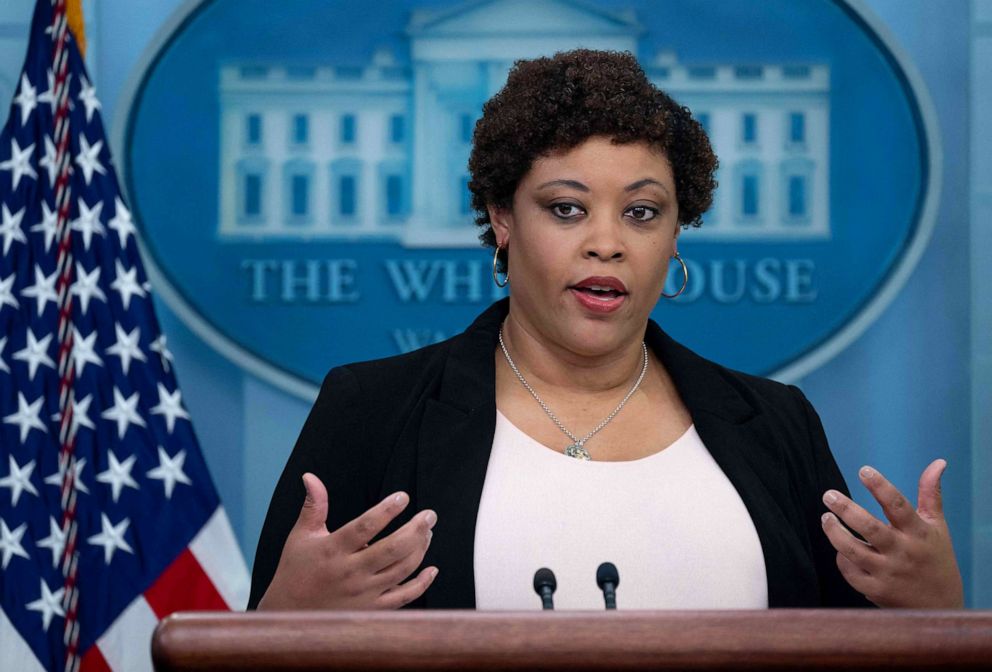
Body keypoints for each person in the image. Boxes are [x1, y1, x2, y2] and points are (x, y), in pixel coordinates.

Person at [248, 49, 962, 611]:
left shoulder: (776, 424)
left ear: (676, 234)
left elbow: (857, 647)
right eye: (566, 209)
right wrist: (282, 623)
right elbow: (267, 646)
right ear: (502, 219)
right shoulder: (372, 412)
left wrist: (934, 615)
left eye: (643, 213)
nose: (607, 242)